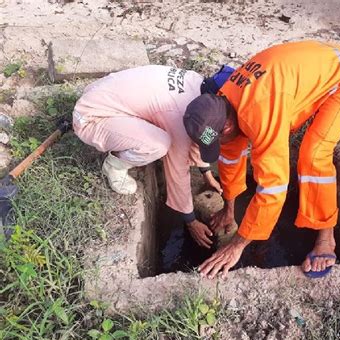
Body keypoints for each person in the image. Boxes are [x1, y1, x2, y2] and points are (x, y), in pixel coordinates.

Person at [183, 41, 340, 278]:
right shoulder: (223, 102)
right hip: (305, 69)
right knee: (245, 150)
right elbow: (230, 159)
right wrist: (229, 209)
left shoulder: (259, 114)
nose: (220, 146)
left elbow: (273, 188)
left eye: (217, 140)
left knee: (314, 155)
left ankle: (327, 239)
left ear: (227, 126)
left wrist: (237, 246)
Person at [73, 64, 234, 248]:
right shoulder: (179, 120)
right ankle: (114, 165)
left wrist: (206, 173)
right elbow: (177, 171)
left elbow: (200, 135)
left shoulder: (198, 88)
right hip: (91, 117)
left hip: (103, 92)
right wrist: (191, 221)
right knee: (158, 145)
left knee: (167, 138)